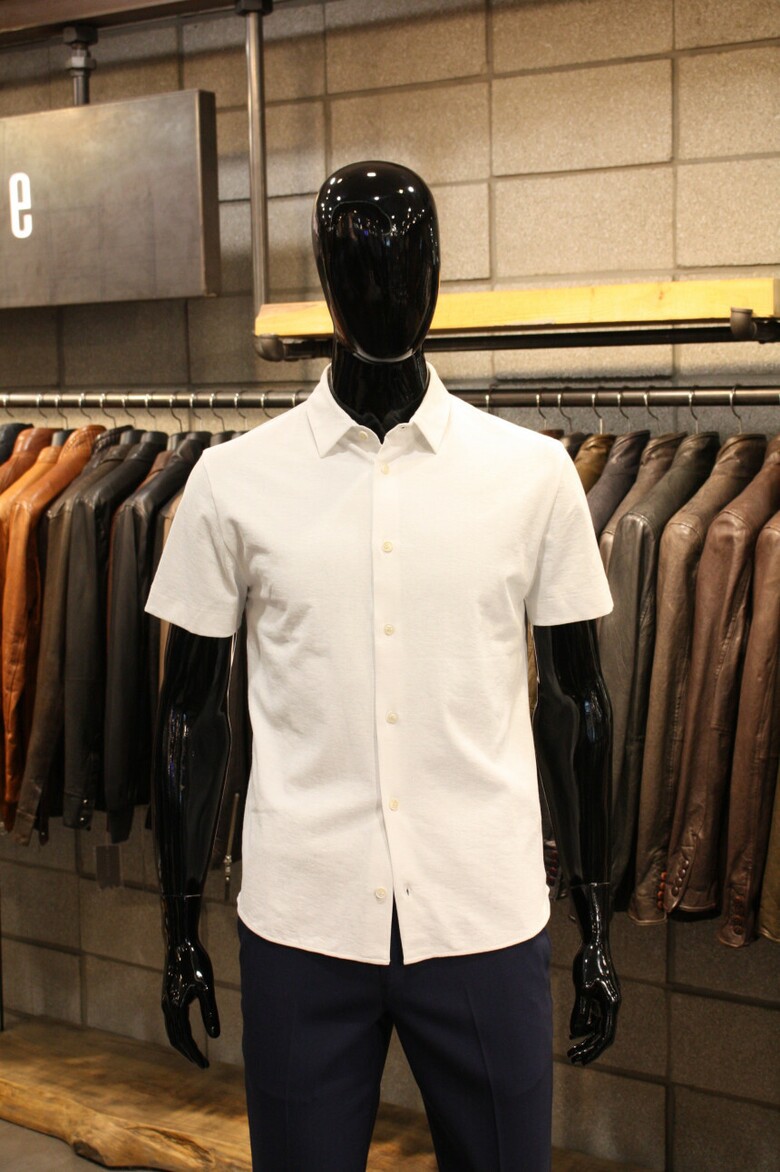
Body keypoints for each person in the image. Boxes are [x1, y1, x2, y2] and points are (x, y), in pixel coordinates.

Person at [145, 160, 621, 1172]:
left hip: (482, 913)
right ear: (324, 279)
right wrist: (179, 924)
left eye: (408, 261)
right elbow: (190, 713)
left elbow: (578, 700)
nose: (386, 288)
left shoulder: (533, 477)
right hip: (304, 920)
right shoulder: (233, 482)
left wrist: (595, 921)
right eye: (358, 264)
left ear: (440, 274)